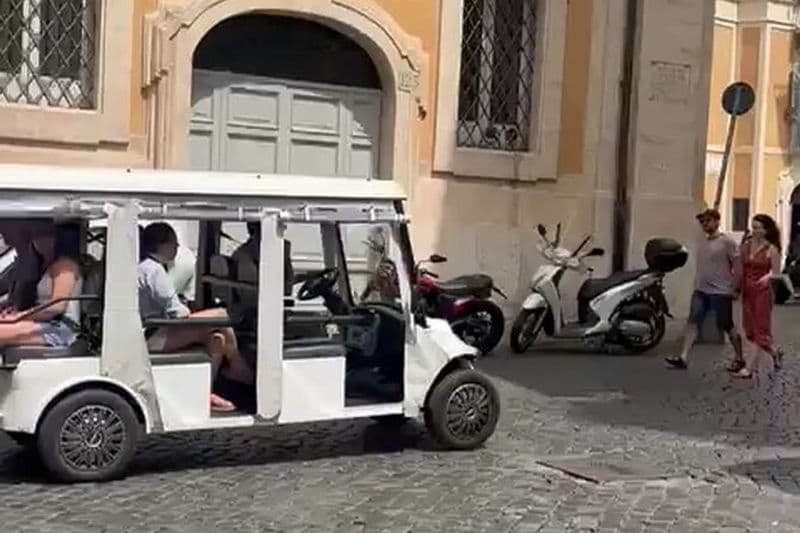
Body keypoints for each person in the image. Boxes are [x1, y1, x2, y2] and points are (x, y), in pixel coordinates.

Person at [138, 222, 253, 412]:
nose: (177, 247)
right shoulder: (154, 270)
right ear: (162, 245)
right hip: (152, 334)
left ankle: (205, 392)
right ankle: (237, 366)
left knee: (217, 340)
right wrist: (191, 312)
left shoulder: (147, 267)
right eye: (174, 243)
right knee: (220, 314)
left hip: (155, 330)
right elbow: (178, 312)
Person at [666, 208, 745, 370]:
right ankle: (683, 357)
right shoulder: (701, 241)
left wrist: (735, 288)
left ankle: (739, 357)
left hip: (721, 291)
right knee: (693, 321)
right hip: (701, 290)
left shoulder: (727, 242)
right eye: (702, 222)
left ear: (717, 221)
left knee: (726, 324)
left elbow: (738, 267)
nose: (704, 224)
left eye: (708, 221)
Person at [0, 222, 83, 348]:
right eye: (36, 237)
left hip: (61, 327)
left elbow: (56, 308)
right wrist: (14, 313)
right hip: (45, 322)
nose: (41, 242)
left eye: (46, 237)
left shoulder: (65, 266)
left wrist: (19, 317)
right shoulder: (43, 266)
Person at [734, 214, 783, 379]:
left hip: (763, 292)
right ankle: (775, 353)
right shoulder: (746, 245)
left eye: (758, 228)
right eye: (753, 227)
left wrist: (767, 277)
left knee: (760, 329)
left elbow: (777, 274)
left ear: (766, 230)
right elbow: (739, 265)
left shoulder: (771, 249)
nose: (754, 231)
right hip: (747, 291)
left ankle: (749, 368)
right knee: (749, 329)